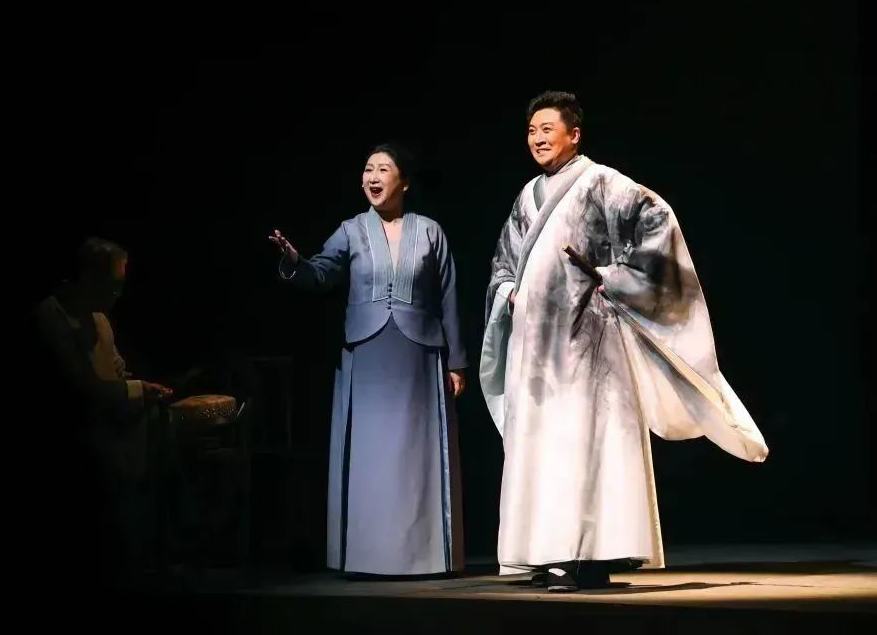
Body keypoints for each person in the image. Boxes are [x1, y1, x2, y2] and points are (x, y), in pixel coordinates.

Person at [480, 91, 768, 591]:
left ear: (574, 134)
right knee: (542, 447)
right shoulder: (527, 196)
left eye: (548, 129)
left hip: (586, 343)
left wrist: (612, 277)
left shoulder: (601, 183)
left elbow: (658, 222)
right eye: (531, 130)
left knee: (583, 445)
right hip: (536, 348)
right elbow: (504, 261)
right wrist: (510, 292)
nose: (538, 138)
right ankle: (546, 553)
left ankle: (582, 557)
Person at [269, 143, 467, 576]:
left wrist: (457, 362)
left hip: (418, 355)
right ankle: (368, 555)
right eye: (367, 169)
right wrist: (293, 261)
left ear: (404, 182)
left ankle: (422, 557)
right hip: (367, 354)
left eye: (383, 169)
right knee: (370, 458)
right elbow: (320, 273)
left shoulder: (429, 231)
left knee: (415, 457)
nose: (372, 177)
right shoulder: (351, 230)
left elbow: (449, 296)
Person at [29, 237, 173, 592]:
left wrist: (140, 387)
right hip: (82, 439)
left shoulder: (100, 321)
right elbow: (80, 389)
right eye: (112, 285)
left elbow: (117, 371)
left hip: (115, 431)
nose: (117, 295)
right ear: (88, 278)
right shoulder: (51, 318)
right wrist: (138, 390)